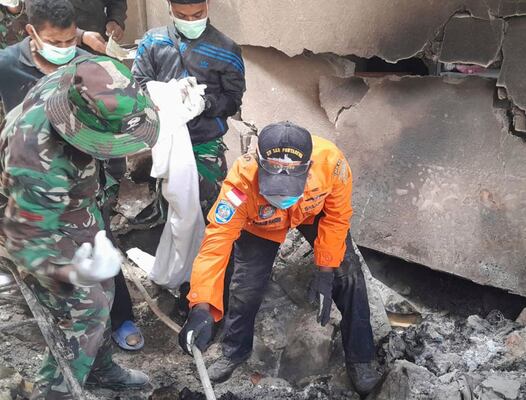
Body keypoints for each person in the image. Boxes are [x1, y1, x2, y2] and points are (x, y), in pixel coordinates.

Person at [178, 122, 382, 397]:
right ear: (260, 166)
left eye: (289, 188)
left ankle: (361, 358)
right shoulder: (241, 181)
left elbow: (337, 217)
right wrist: (201, 307)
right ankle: (234, 351)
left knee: (349, 275)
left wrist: (325, 269)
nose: (281, 197)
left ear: (308, 168)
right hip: (260, 225)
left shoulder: (332, 164)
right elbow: (216, 243)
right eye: (274, 189)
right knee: (245, 287)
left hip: (312, 214)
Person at [0, 54, 159, 399]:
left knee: (108, 284)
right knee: (86, 310)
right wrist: (71, 273)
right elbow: (25, 244)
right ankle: (53, 393)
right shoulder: (37, 161)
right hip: (29, 219)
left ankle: (99, 370)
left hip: (74, 198)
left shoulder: (84, 80)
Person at [132, 0, 246, 217]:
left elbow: (233, 100)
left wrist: (205, 103)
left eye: (197, 14)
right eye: (182, 16)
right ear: (169, 7)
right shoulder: (153, 42)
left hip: (206, 145)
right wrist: (168, 93)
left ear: (207, 5)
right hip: (166, 142)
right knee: (172, 208)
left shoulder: (226, 49)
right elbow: (137, 84)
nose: (191, 21)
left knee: (211, 212)